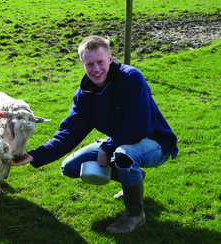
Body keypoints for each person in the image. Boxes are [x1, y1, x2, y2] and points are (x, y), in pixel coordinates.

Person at [13, 36, 178, 234]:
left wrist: (107, 147)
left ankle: (135, 214)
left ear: (110, 58)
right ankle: (133, 177)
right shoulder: (83, 96)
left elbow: (140, 126)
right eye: (89, 63)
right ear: (82, 64)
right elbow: (69, 133)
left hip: (155, 141)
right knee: (71, 167)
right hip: (120, 143)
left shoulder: (131, 78)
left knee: (124, 155)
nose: (96, 69)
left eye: (100, 62)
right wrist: (35, 155)